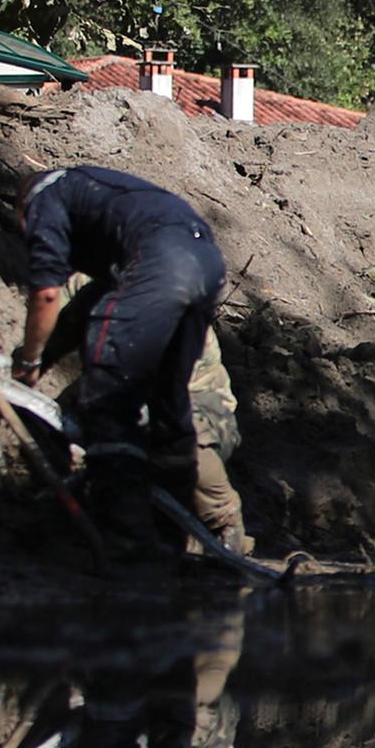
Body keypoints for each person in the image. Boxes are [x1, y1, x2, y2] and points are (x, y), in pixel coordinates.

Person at [14, 162, 245, 552]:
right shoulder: (124, 239)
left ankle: (129, 541)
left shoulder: (45, 197)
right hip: (207, 260)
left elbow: (48, 294)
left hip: (210, 413)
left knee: (109, 404)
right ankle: (206, 531)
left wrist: (29, 362)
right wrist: (45, 361)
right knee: (170, 417)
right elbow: (74, 318)